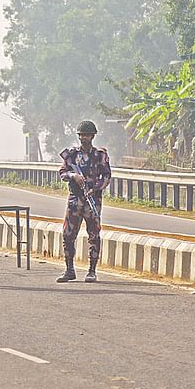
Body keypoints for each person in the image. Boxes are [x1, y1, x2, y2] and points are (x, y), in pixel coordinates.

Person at [57, 120, 111, 283]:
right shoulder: (72, 155)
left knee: (94, 235)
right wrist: (74, 176)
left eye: (87, 135)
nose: (84, 138)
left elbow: (107, 176)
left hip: (92, 199)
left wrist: (94, 188)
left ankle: (92, 271)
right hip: (74, 199)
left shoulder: (99, 155)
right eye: (81, 135)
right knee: (68, 234)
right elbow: (62, 172)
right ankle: (69, 270)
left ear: (93, 136)